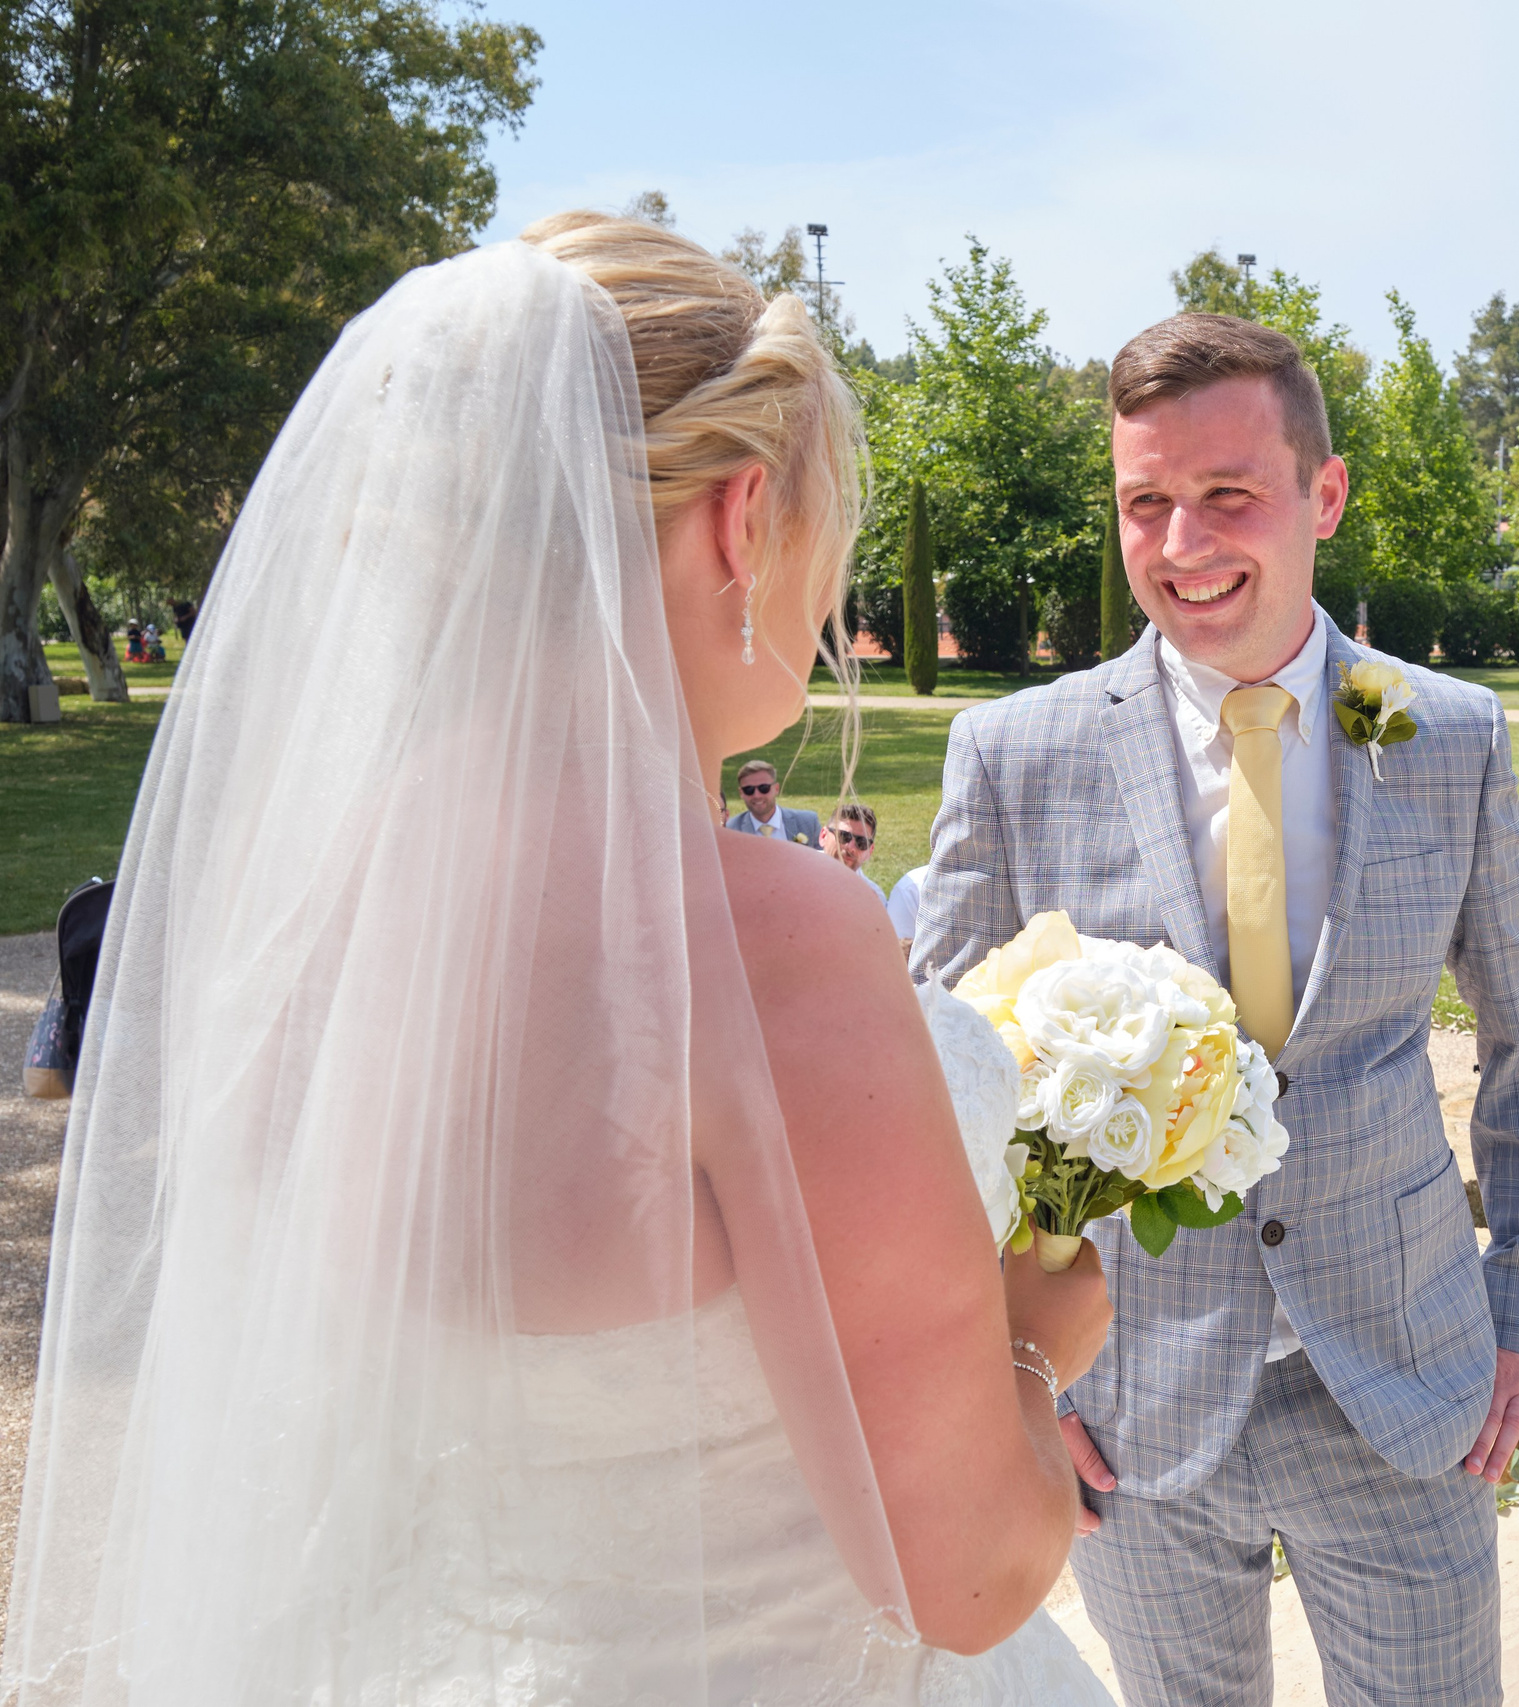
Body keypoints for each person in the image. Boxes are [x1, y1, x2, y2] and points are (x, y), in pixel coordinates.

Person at [3, 219, 1115, 1705]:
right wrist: (1038, 1344)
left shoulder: (297, 917)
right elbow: (962, 1576)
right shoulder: (776, 941)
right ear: (741, 519)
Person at [910, 313, 1519, 1707]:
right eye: (1144, 503)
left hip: (1403, 1381)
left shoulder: (1448, 734)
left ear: (1322, 495)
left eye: (1226, 495)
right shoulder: (1016, 754)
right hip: (1131, 1398)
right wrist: (1006, 1371)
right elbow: (936, 1088)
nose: (1180, 544)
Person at [726, 757, 823, 845]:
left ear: (776, 789)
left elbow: (822, 861)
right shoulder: (731, 830)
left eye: (764, 788)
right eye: (749, 790)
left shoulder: (807, 823)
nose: (757, 795)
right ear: (741, 793)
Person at [822, 802, 887, 905]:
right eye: (843, 836)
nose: (851, 847)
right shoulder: (796, 873)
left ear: (870, 851)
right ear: (823, 836)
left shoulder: (874, 900)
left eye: (861, 843)